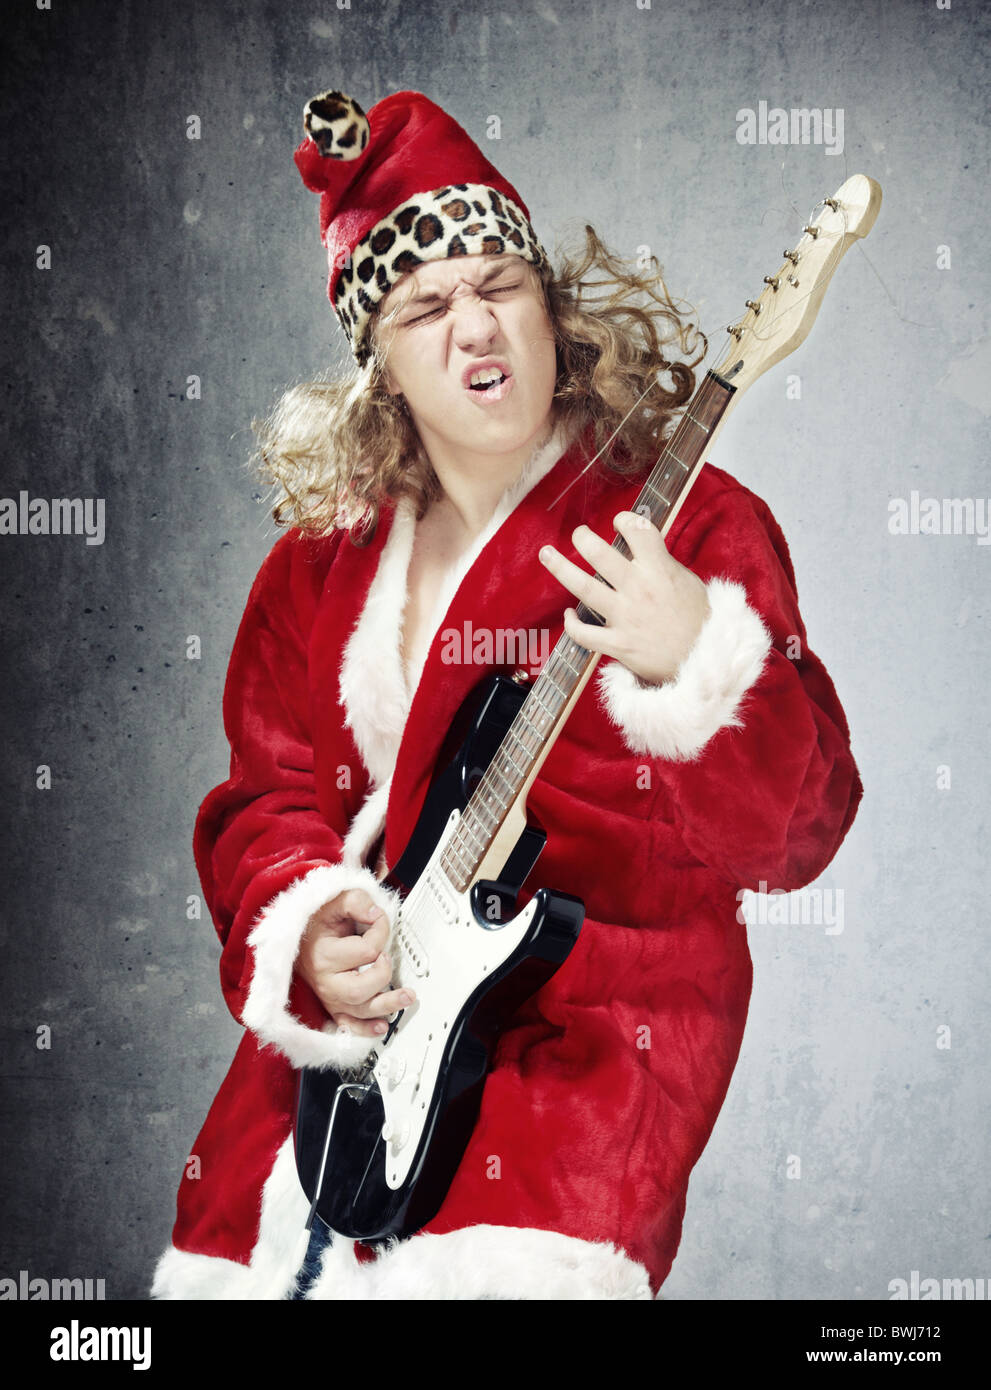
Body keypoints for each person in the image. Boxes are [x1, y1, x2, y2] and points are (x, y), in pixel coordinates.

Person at [151, 88, 862, 1300]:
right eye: (428, 305)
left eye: (501, 286)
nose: (474, 326)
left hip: (581, 1069)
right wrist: (308, 924)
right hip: (341, 1073)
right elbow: (264, 796)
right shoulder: (314, 563)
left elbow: (797, 836)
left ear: (556, 309)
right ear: (379, 363)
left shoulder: (694, 524)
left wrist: (697, 648)